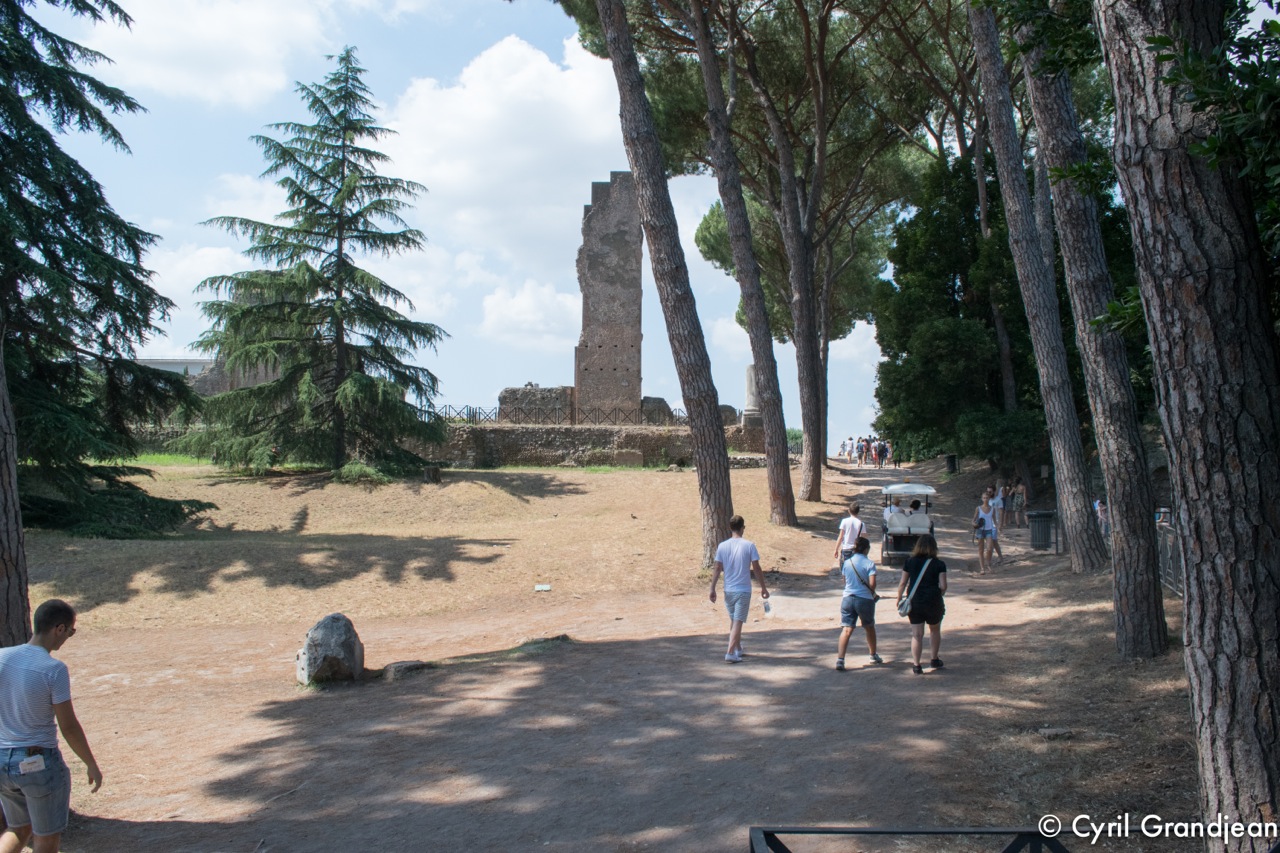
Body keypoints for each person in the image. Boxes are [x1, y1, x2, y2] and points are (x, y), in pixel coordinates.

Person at [0, 600, 102, 853]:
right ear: (59, 629)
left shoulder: (2, 657)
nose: (68, 637)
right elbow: (68, 726)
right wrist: (90, 762)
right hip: (38, 762)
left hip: (2, 760)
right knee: (46, 837)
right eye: (70, 631)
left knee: (18, 828)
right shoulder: (53, 669)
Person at [709, 515, 770, 663]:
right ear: (743, 528)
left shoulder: (722, 546)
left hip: (728, 590)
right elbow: (756, 568)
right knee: (738, 621)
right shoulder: (749, 545)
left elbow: (717, 568)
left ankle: (737, 648)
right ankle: (730, 652)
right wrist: (763, 587)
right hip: (743, 589)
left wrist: (712, 588)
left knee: (734, 619)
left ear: (730, 528)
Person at [896, 534, 948, 674]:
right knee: (935, 630)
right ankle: (934, 659)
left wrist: (899, 598)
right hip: (933, 601)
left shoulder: (909, 562)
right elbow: (943, 586)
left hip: (915, 602)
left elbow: (903, 583)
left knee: (917, 635)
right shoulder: (939, 564)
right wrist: (938, 594)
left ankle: (917, 665)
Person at [836, 537, 881, 670]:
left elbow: (845, 581)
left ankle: (840, 659)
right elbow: (872, 585)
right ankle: (873, 655)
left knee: (846, 629)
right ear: (866, 549)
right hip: (864, 599)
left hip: (848, 598)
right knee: (869, 627)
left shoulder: (847, 562)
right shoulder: (869, 564)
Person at [973, 491, 997, 574]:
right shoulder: (978, 508)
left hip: (989, 530)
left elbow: (994, 520)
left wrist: (998, 528)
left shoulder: (992, 509)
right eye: (984, 498)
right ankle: (982, 568)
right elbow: (973, 520)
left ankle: (988, 564)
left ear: (989, 498)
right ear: (982, 499)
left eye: (987, 498)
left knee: (989, 548)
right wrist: (974, 524)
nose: (985, 499)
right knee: (981, 550)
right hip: (980, 530)